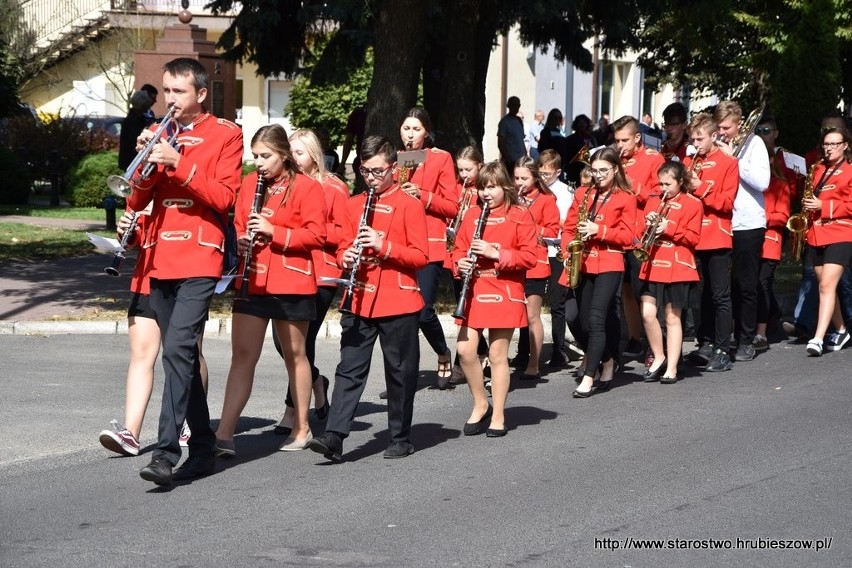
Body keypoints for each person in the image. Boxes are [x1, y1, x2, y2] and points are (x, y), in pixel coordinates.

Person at [129, 57, 243, 486]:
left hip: (199, 255)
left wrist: (179, 162)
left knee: (178, 348)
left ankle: (165, 452)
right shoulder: (162, 134)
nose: (169, 100)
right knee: (183, 356)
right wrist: (144, 162)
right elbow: (136, 202)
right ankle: (203, 446)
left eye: (178, 92)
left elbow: (224, 197)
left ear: (200, 93)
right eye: (166, 91)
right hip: (160, 257)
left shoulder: (225, 134)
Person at [308, 135, 429, 462]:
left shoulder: (410, 204)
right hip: (359, 296)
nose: (371, 178)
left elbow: (421, 256)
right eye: (365, 171)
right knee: (349, 368)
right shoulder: (354, 204)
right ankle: (334, 435)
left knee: (400, 371)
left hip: (398, 299)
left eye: (377, 171)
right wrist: (346, 254)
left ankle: (400, 437)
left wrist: (383, 245)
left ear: (392, 167)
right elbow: (342, 244)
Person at [214, 124, 327, 457]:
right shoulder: (249, 185)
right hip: (253, 280)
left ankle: (302, 427)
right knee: (242, 356)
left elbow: (317, 236)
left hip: (291, 281)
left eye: (266, 156)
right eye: (255, 156)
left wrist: (274, 231)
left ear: (284, 155)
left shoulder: (306, 187)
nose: (259, 163)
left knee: (295, 355)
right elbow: (237, 225)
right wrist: (243, 238)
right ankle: (224, 434)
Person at [98, 209, 210, 456]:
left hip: (187, 278)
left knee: (189, 352)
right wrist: (125, 231)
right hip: (147, 276)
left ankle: (189, 421)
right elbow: (135, 238)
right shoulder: (143, 187)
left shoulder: (183, 178)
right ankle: (131, 433)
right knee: (141, 353)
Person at [271, 128, 348, 434]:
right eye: (290, 152)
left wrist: (312, 231)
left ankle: (293, 412)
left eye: (299, 153)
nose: (293, 158)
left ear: (314, 155)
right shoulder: (285, 186)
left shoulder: (333, 187)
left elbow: (344, 232)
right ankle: (316, 380)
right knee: (284, 342)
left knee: (302, 340)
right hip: (290, 271)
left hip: (322, 273)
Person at [452, 161, 537, 436]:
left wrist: (496, 253)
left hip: (505, 289)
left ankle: (498, 414)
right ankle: (480, 403)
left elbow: (529, 257)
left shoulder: (520, 215)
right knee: (465, 350)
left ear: (505, 187)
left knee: (498, 354)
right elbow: (457, 251)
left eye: (492, 187)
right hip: (475, 288)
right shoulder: (472, 214)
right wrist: (459, 264)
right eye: (482, 188)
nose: (486, 193)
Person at [560, 148, 637, 397]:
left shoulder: (625, 197)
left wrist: (599, 230)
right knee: (580, 321)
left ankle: (588, 377)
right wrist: (566, 252)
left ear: (615, 169)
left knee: (595, 319)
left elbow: (628, 237)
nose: (599, 175)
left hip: (609, 263)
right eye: (595, 170)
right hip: (583, 262)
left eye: (604, 170)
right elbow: (568, 227)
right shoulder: (584, 193)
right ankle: (607, 360)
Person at [397, 107, 459, 386]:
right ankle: (403, 376)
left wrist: (422, 196)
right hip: (398, 244)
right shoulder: (396, 159)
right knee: (401, 315)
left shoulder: (440, 158)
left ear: (427, 132)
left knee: (423, 311)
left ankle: (443, 352)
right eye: (406, 128)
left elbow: (452, 206)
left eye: (416, 129)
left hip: (429, 244)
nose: (410, 135)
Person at [715, 101, 771, 362]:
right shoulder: (720, 143)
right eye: (719, 127)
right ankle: (729, 336)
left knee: (746, 283)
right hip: (724, 221)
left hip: (748, 222)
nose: (722, 132)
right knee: (726, 284)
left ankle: (747, 339)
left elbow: (763, 182)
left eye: (726, 127)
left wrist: (733, 159)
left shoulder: (754, 144)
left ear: (738, 124)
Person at [683, 113, 739, 373]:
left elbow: (727, 204)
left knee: (719, 295)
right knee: (699, 295)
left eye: (700, 139)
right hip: (691, 235)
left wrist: (700, 186)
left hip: (716, 235)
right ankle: (704, 342)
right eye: (693, 139)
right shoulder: (688, 160)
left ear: (714, 136)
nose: (695, 144)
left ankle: (723, 348)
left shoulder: (728, 162)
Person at [637, 161, 702, 384]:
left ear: (680, 182)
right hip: (653, 263)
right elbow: (640, 231)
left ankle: (672, 368)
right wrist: (648, 224)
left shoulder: (693, 204)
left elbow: (694, 238)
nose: (663, 188)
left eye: (668, 184)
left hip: (677, 265)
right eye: (661, 183)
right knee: (647, 313)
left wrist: (669, 228)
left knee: (672, 318)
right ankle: (659, 355)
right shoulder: (653, 201)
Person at [613, 115, 665, 362]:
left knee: (645, 292)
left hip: (640, 236)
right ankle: (634, 337)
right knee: (625, 290)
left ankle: (653, 344)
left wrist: (636, 187)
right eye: (616, 140)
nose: (620, 145)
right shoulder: (615, 160)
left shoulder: (653, 159)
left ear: (637, 138)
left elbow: (660, 195)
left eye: (624, 140)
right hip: (618, 234)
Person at [803, 127, 852, 356]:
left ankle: (818, 338)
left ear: (845, 145)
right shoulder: (818, 169)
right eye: (826, 144)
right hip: (817, 233)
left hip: (841, 234)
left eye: (834, 144)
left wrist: (825, 207)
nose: (829, 148)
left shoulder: (850, 170)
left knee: (826, 286)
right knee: (826, 288)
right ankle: (841, 329)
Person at [511, 156, 559, 380]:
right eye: (516, 177)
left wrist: (529, 225)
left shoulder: (547, 199)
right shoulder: (512, 196)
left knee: (532, 315)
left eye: (524, 178)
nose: (519, 182)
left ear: (535, 178)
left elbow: (552, 231)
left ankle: (534, 363)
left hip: (536, 263)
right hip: (514, 261)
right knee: (513, 314)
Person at [446, 145, 490, 385]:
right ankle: (478, 352)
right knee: (460, 302)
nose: (464, 175)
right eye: (460, 170)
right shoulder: (457, 188)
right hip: (457, 251)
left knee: (470, 307)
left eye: (468, 169)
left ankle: (461, 363)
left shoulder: (483, 192)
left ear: (480, 167)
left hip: (477, 253)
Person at [754, 116, 794, 351]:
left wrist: (761, 219)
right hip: (751, 240)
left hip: (769, 240)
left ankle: (761, 333)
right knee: (749, 284)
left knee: (762, 283)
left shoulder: (780, 183)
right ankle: (773, 315)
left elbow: (782, 216)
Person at [539, 149, 577, 368]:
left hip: (556, 251)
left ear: (558, 172)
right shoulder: (535, 189)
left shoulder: (564, 192)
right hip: (537, 249)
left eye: (548, 174)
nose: (544, 177)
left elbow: (565, 222)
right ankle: (526, 350)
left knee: (557, 303)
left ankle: (559, 349)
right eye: (541, 173)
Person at [118, 90, 152, 171]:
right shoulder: (132, 121)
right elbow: (135, 143)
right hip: (131, 160)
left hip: (130, 160)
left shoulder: (136, 119)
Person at [338, 105, 367, 193]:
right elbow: (349, 139)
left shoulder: (404, 154)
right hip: (361, 160)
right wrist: (342, 163)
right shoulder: (359, 113)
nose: (410, 135)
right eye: (406, 128)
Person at [497, 96, 526, 174]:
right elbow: (500, 143)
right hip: (511, 161)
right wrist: (508, 159)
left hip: (521, 160)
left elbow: (521, 140)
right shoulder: (504, 122)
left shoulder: (519, 121)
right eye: (513, 105)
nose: (515, 107)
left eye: (517, 105)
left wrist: (525, 155)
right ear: (508, 106)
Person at [563, 114, 595, 185]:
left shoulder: (591, 138)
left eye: (584, 123)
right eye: (580, 123)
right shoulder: (569, 139)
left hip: (589, 170)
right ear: (576, 125)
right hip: (575, 172)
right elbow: (566, 156)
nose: (582, 125)